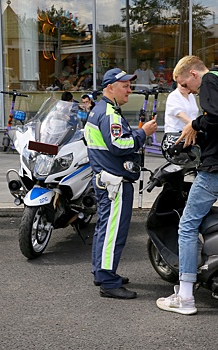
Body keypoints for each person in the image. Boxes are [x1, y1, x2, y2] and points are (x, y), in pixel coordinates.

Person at [156, 56, 218, 315]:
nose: (190, 90)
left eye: (186, 84)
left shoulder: (209, 81)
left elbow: (217, 115)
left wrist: (195, 124)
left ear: (194, 73)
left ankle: (185, 296)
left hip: (216, 167)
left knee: (187, 225)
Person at [84, 68, 158, 299]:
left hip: (106, 180)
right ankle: (108, 281)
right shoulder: (109, 113)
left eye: (129, 85)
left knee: (105, 230)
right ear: (109, 88)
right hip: (115, 182)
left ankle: (102, 272)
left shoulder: (101, 110)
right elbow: (120, 146)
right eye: (124, 86)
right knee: (113, 233)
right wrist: (142, 134)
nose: (129, 90)